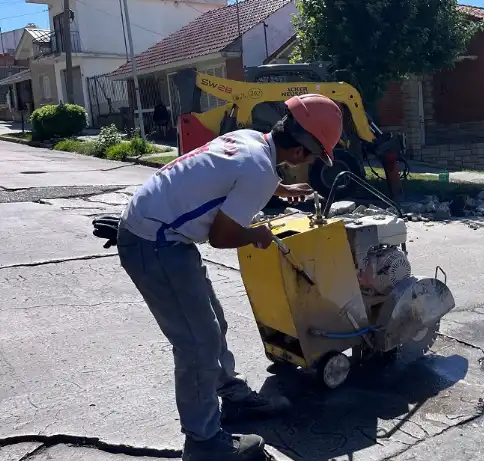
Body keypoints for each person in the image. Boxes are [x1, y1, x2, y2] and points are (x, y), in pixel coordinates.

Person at [116, 94, 343, 461]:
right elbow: (221, 238)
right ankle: (204, 442)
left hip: (158, 229)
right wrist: (259, 234)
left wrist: (282, 190)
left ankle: (232, 397)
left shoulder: (252, 140)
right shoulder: (258, 171)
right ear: (301, 152)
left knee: (213, 323)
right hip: (155, 243)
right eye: (315, 155)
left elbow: (226, 176)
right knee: (198, 345)